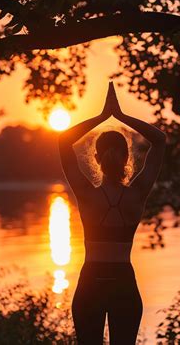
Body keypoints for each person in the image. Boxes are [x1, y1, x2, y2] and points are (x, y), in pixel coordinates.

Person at [58, 81, 166, 344]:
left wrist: (101, 116)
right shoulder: (136, 194)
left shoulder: (86, 194)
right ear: (127, 158)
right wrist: (121, 116)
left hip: (90, 283)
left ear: (96, 158)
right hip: (123, 284)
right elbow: (160, 141)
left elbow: (63, 141)